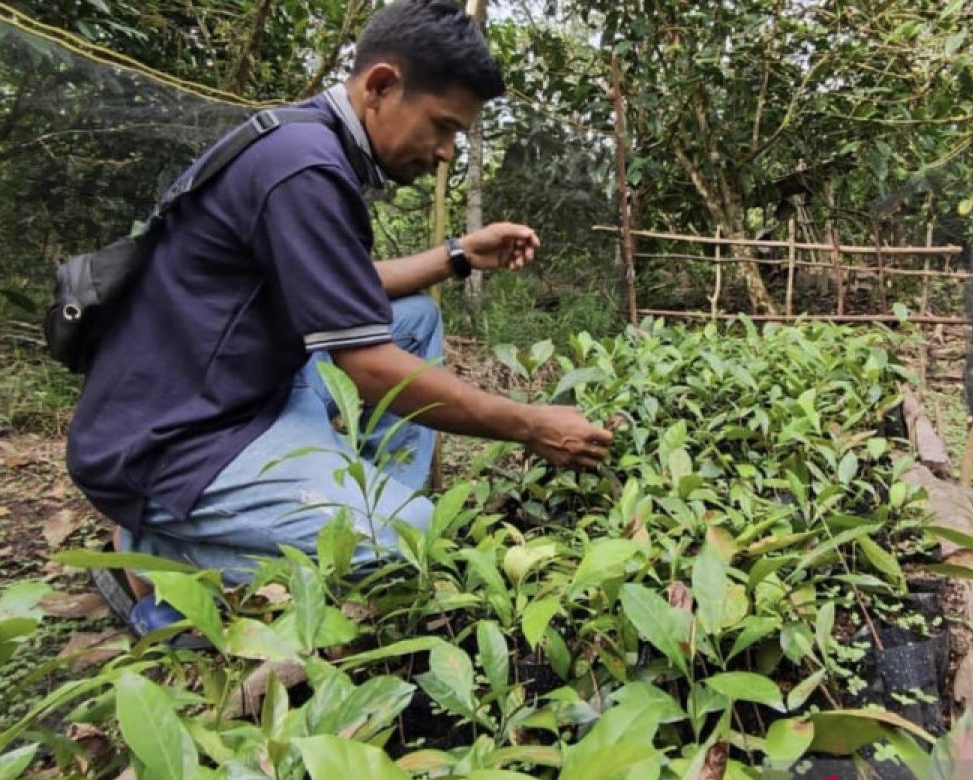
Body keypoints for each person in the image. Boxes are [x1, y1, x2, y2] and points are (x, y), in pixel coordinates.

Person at [67, 0, 613, 631]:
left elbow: (344, 292)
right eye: (441, 127)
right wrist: (530, 425)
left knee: (411, 319)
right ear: (382, 86)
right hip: (176, 441)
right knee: (407, 546)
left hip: (240, 387)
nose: (444, 153)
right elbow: (371, 369)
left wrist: (460, 255)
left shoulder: (306, 142)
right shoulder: (304, 166)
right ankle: (156, 567)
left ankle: (355, 503)